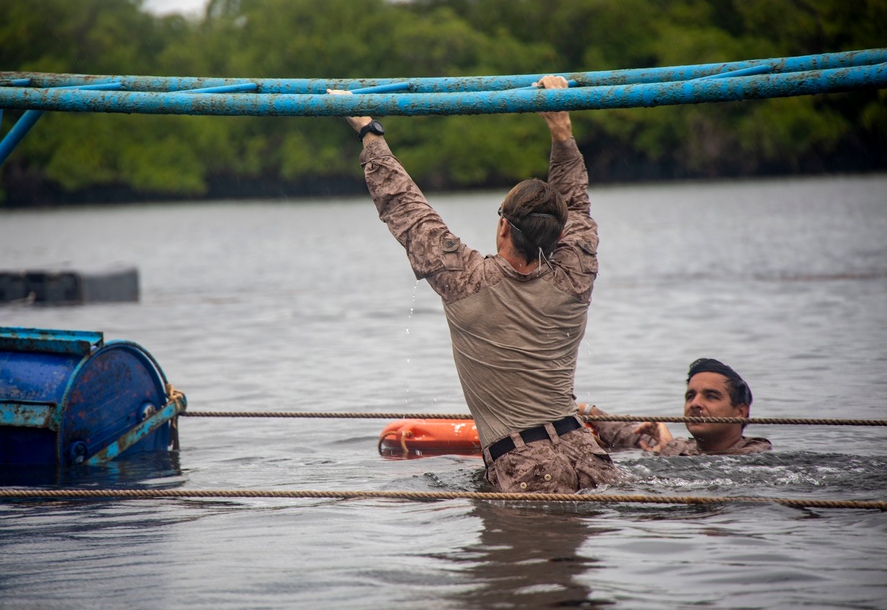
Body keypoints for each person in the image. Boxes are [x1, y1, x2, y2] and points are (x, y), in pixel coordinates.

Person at [330, 76, 616, 493]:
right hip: (585, 452)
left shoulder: (465, 279)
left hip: (524, 464)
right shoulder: (575, 276)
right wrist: (561, 129)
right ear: (559, 238)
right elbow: (576, 204)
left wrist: (369, 131)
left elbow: (406, 209)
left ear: (503, 227)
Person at [580, 358, 772, 456]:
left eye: (711, 396)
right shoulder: (686, 446)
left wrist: (668, 449)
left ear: (740, 412)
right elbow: (630, 433)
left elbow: (705, 470)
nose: (695, 404)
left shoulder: (756, 452)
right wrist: (589, 412)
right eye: (690, 396)